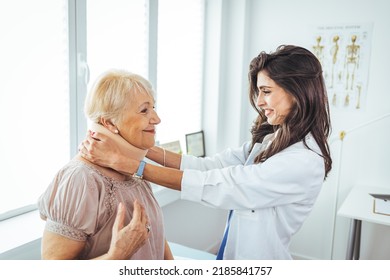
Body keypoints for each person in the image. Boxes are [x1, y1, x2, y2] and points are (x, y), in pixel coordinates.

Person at [79, 45, 332, 260]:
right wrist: (145, 151)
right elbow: (212, 166)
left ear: (298, 91)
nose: (259, 102)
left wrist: (135, 165)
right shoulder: (273, 139)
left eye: (266, 91)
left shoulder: (304, 160)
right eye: (258, 92)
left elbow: (225, 184)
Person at [38, 69, 173, 260]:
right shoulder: (80, 179)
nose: (157, 119)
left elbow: (155, 239)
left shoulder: (134, 170)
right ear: (109, 124)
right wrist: (116, 256)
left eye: (154, 107)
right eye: (144, 110)